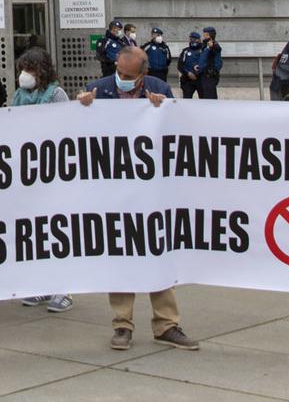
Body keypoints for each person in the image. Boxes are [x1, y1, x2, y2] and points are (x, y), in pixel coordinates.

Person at [75, 47, 200, 352]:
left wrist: (163, 109)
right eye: (118, 72)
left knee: (158, 252)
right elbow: (81, 133)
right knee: (120, 255)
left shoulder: (158, 89)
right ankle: (122, 324)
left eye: (128, 76)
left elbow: (176, 133)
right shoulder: (100, 89)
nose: (121, 80)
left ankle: (166, 324)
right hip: (115, 190)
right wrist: (81, 106)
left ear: (143, 74)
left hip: (151, 191)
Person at [11, 48, 72, 314]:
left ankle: (64, 289)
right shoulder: (19, 96)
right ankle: (42, 286)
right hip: (28, 172)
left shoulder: (56, 95)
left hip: (53, 171)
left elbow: (66, 129)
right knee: (35, 231)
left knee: (57, 229)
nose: (25, 75)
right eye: (23, 69)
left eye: (30, 69)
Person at [197, 26, 224, 98]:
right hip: (203, 74)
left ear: (210, 35)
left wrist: (212, 46)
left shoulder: (214, 45)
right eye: (204, 34)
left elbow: (217, 49)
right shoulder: (205, 46)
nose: (204, 36)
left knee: (210, 97)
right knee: (205, 96)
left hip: (210, 75)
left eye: (206, 35)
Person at [177, 31, 205, 99]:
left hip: (200, 80)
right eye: (191, 39)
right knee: (187, 100)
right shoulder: (185, 51)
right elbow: (180, 65)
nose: (193, 41)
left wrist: (197, 74)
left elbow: (206, 64)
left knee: (204, 100)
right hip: (187, 80)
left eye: (195, 39)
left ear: (199, 40)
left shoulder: (204, 51)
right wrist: (188, 73)